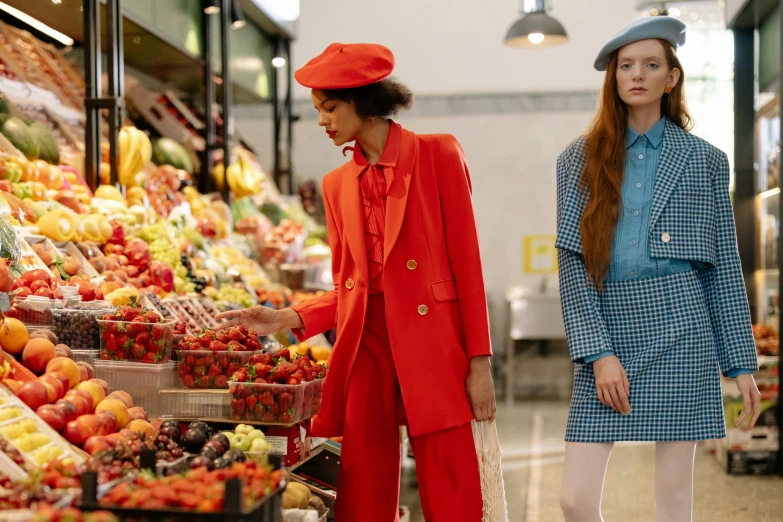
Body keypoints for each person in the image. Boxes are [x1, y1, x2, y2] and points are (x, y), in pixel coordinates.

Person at [215, 43, 495, 522]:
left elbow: (468, 265)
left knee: (452, 485)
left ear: (364, 101)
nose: (323, 121)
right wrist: (288, 316)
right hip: (366, 343)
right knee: (362, 485)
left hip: (436, 343)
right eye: (319, 109)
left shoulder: (439, 154)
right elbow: (350, 287)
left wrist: (480, 362)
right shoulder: (336, 184)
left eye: (330, 107)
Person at [555, 17, 761, 522]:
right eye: (626, 66)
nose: (637, 75)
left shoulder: (706, 161)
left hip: (684, 325)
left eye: (651, 65)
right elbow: (572, 262)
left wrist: (741, 362)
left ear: (672, 77)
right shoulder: (576, 160)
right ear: (614, 78)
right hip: (609, 325)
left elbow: (724, 265)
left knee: (673, 504)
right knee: (574, 499)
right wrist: (599, 353)